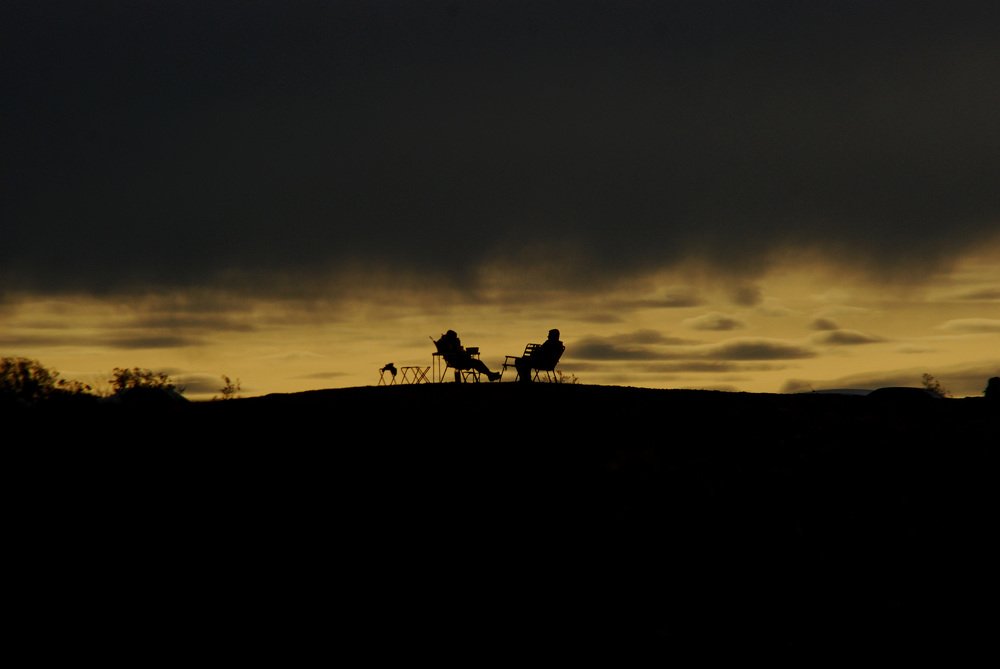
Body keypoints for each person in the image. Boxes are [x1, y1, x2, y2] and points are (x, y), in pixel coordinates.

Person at [434, 330, 501, 382]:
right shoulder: (448, 344)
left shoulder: (448, 343)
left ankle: (490, 374)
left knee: (477, 362)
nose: (455, 339)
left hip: (460, 360)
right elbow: (455, 352)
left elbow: (457, 351)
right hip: (458, 362)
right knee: (477, 363)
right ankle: (490, 375)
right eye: (454, 338)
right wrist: (459, 347)